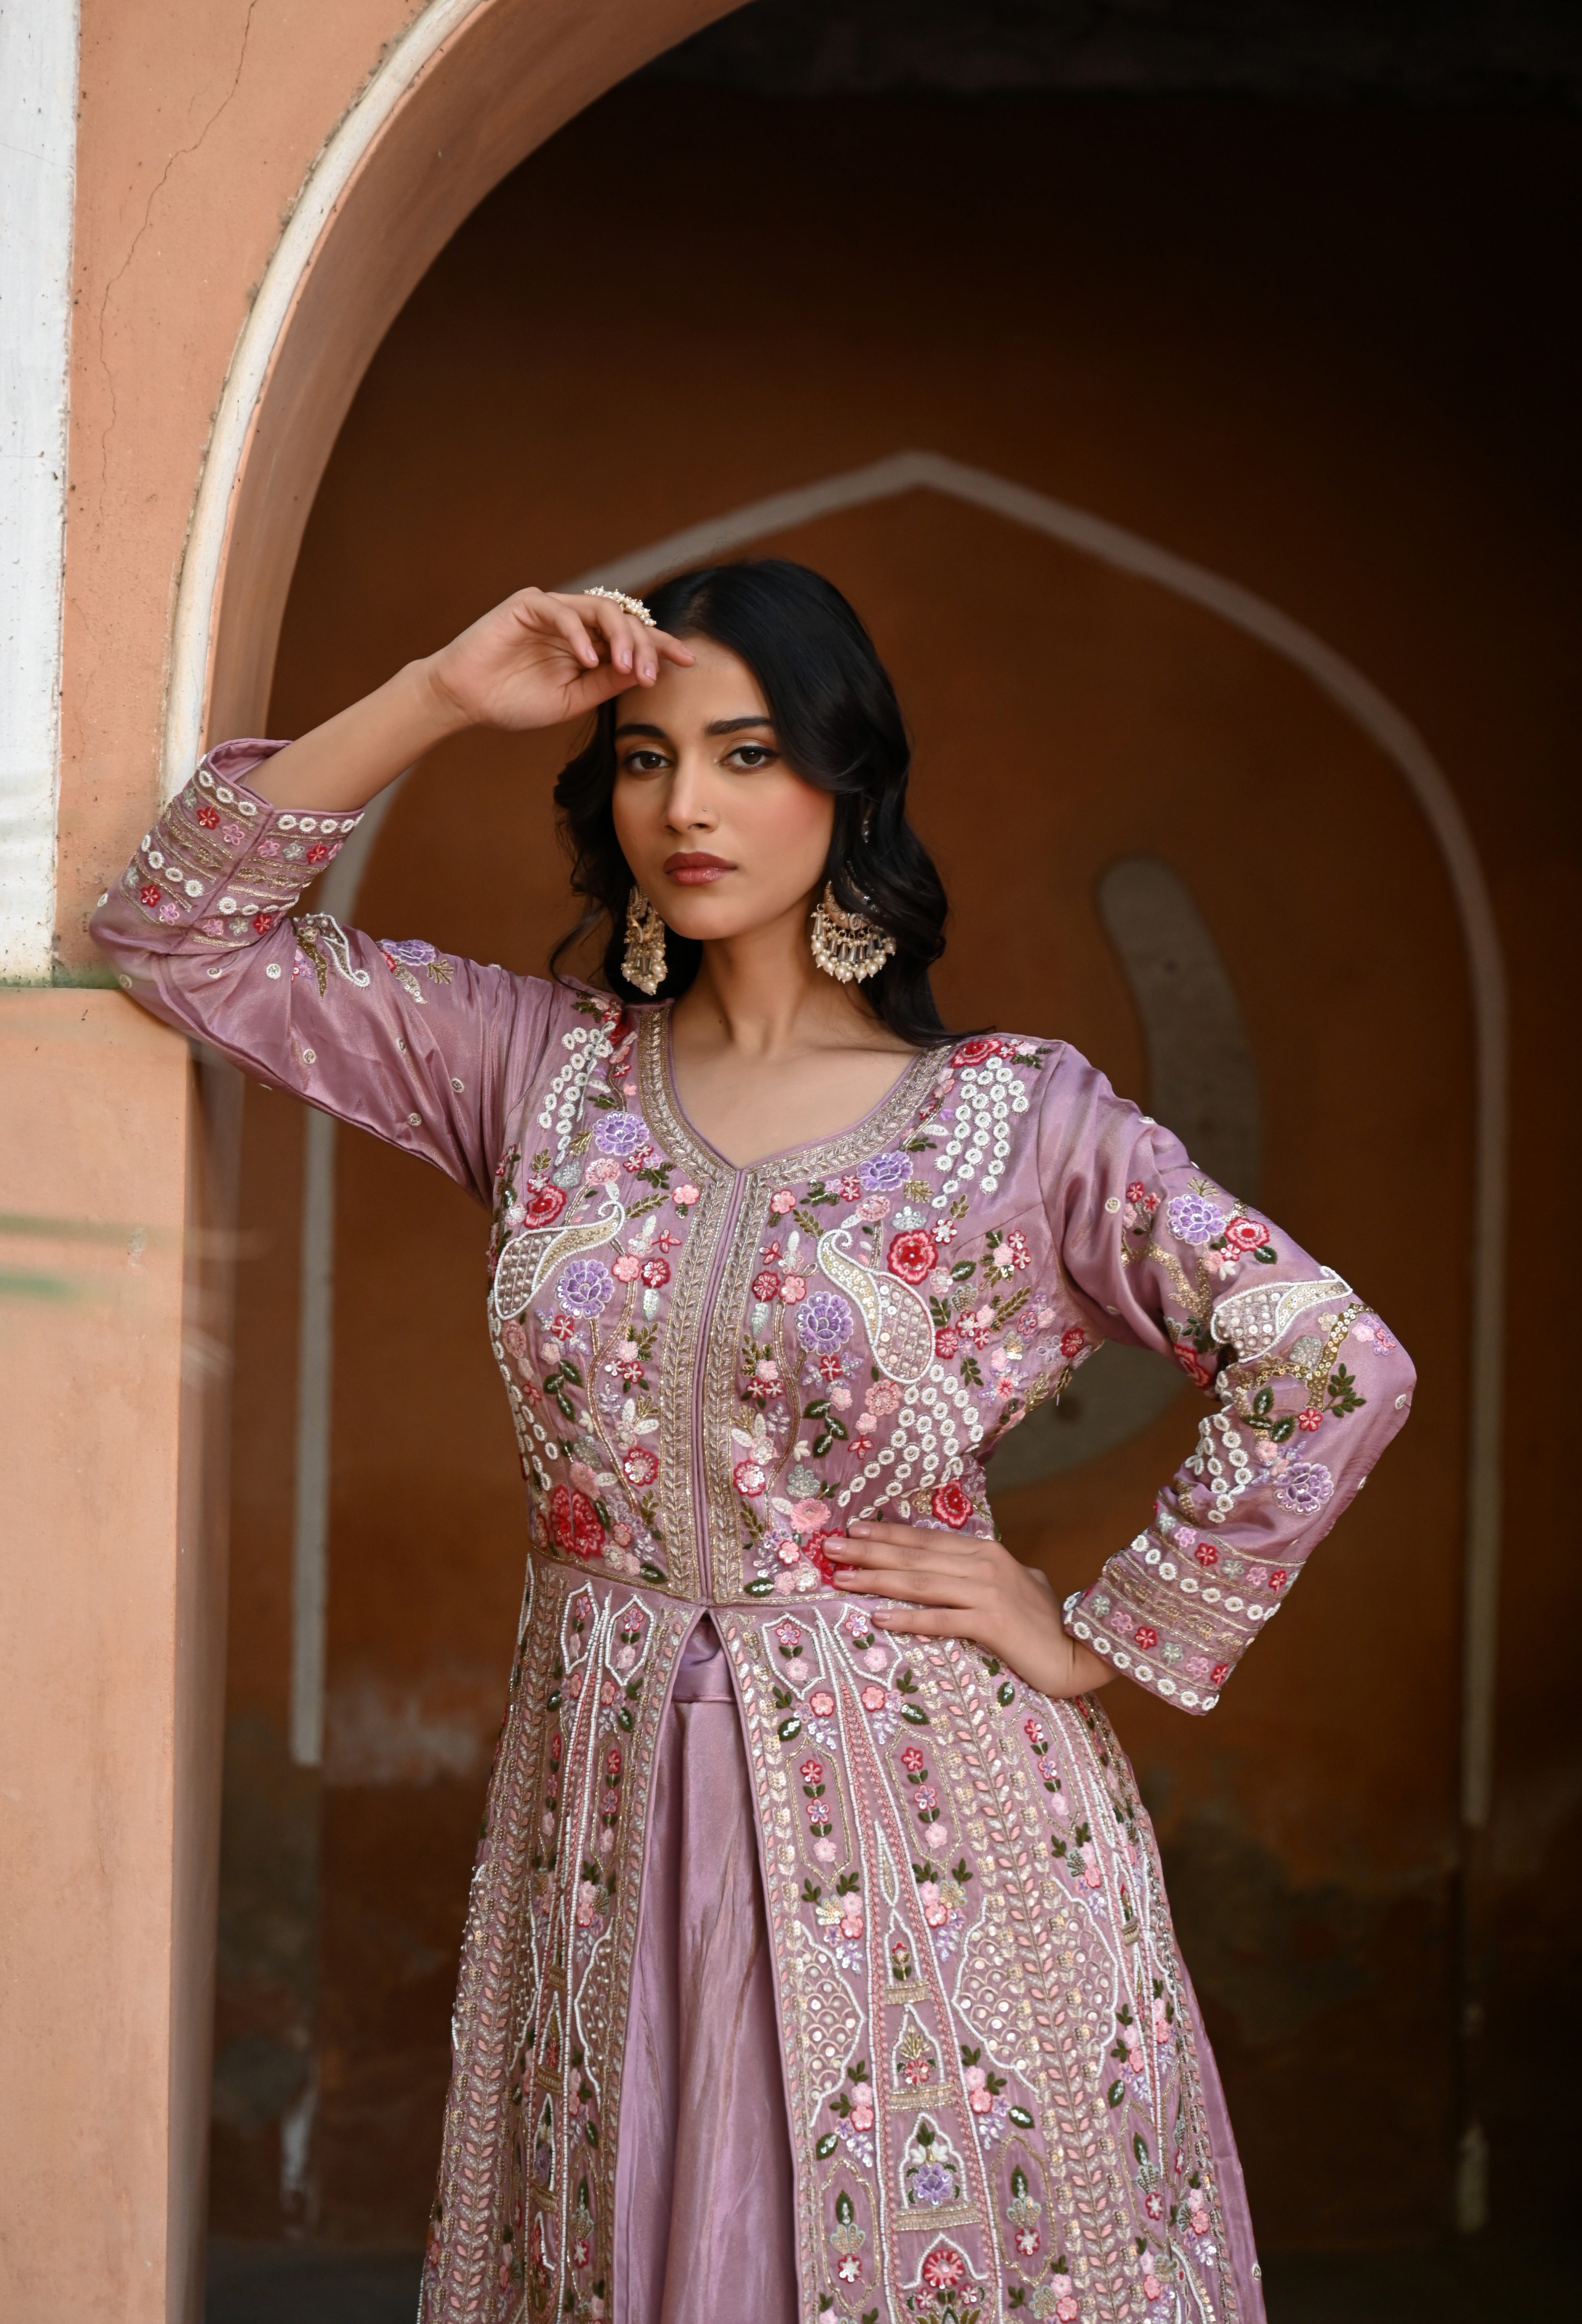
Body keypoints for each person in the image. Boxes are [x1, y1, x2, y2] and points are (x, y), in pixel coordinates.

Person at [94, 560, 1413, 2324]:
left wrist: (1096, 1636)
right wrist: (438, 690)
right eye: (644, 759)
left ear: (847, 788)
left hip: (929, 1824)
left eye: (745, 752)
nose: (687, 805)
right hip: (606, 1792)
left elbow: (1326, 1358)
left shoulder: (1019, 1123)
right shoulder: (534, 1076)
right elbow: (180, 934)